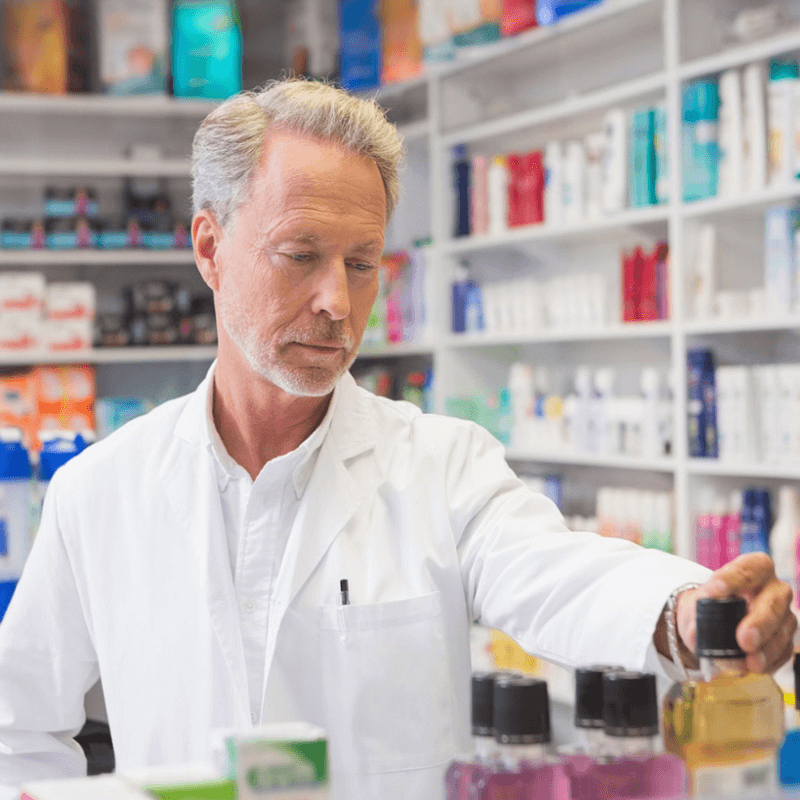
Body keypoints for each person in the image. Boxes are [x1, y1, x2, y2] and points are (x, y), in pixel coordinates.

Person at [0, 80, 795, 800]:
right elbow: (18, 733)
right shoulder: (99, 492)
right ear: (210, 248)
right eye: (301, 255)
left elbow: (561, 575)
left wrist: (686, 612)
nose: (337, 302)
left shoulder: (442, 467)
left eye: (362, 263)